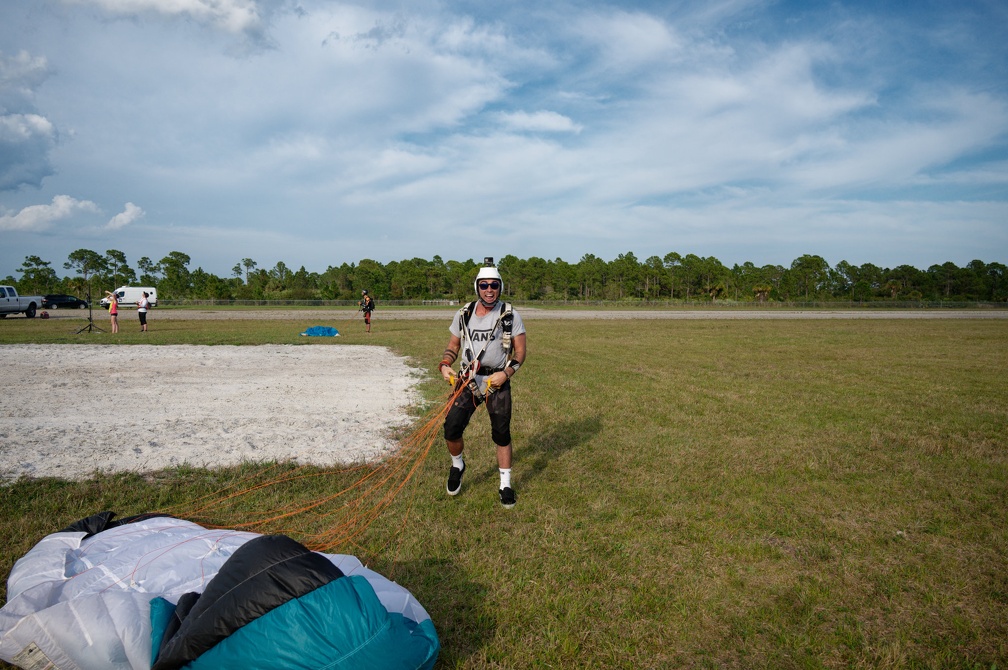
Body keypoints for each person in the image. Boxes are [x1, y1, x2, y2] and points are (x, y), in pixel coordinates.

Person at [439, 258, 527, 508]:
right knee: (451, 427)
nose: (489, 289)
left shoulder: (510, 315)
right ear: (477, 286)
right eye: (484, 285)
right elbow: (452, 346)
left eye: (494, 285)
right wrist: (445, 365)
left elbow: (520, 354)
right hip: (467, 380)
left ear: (501, 286)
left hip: (496, 381)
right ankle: (458, 465)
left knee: (501, 433)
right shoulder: (464, 313)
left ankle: (505, 484)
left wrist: (506, 374)